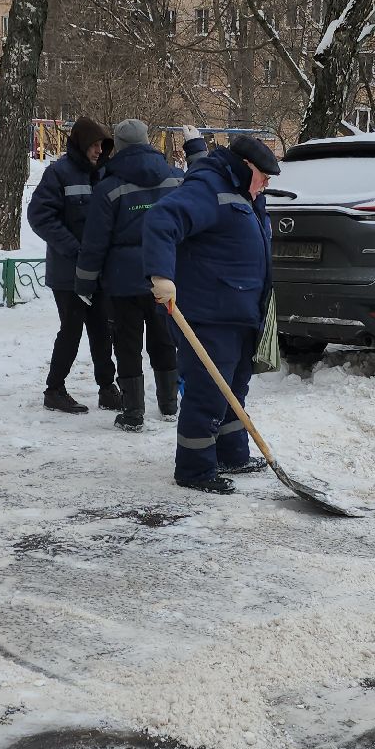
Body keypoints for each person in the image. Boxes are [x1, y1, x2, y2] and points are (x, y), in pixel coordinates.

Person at [142, 134, 280, 494]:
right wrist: (161, 276)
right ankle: (194, 469)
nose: (266, 184)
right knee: (207, 393)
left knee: (233, 389)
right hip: (209, 314)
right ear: (247, 167)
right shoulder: (209, 188)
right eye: (264, 176)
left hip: (240, 312)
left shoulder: (248, 197)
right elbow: (162, 219)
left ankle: (231, 454)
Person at [77, 120, 206, 430]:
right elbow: (201, 189)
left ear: (118, 147)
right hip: (164, 274)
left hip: (123, 280)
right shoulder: (175, 178)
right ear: (148, 142)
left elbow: (95, 241)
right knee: (164, 341)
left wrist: (84, 281)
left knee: (127, 344)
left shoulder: (108, 187)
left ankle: (133, 413)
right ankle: (169, 405)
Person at [27, 116, 120, 414]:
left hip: (99, 270)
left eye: (101, 146)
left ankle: (108, 388)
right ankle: (54, 389)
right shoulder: (58, 174)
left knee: (102, 329)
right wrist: (75, 250)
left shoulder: (105, 174)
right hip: (68, 272)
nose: (97, 151)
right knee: (72, 329)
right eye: (93, 145)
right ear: (80, 145)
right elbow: (40, 217)